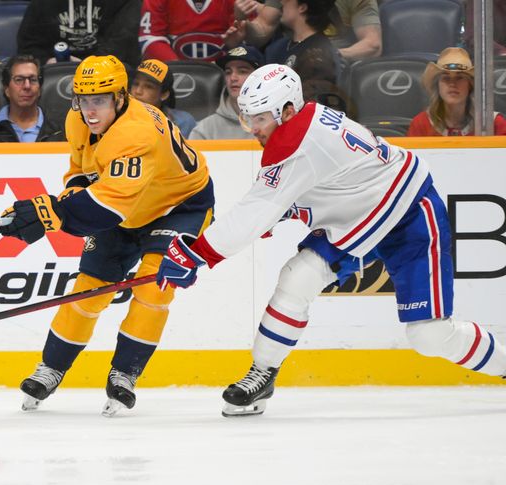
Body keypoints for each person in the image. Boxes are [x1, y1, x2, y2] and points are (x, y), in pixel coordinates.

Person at [156, 63, 506, 417]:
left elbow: (254, 211)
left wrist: (196, 253)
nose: (254, 130)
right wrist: (283, 210)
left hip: (407, 214)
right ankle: (263, 374)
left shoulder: (295, 142)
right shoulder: (303, 124)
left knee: (429, 335)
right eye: (249, 120)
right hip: (356, 218)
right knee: (297, 278)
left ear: (288, 110)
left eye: (260, 119)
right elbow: (323, 181)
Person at [0, 55, 215, 416]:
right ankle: (52, 367)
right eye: (83, 99)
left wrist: (51, 213)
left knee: (152, 287)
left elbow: (108, 208)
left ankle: (125, 373)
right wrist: (54, 206)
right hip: (130, 206)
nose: (90, 110)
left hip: (179, 207)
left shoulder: (136, 133)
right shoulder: (78, 119)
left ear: (120, 97)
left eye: (99, 100)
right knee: (89, 288)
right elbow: (82, 175)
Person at [229, 0, 381, 63]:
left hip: (338, 65)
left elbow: (373, 45)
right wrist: (245, 26)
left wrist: (331, 54)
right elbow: (263, 28)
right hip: (288, 59)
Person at [407, 47, 506, 137]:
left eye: (459, 77)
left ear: (470, 85)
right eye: (446, 78)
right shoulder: (421, 123)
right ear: (438, 85)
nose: (452, 84)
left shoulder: (494, 123)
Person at [0, 55, 65, 143]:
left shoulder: (60, 129)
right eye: (19, 80)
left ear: (39, 88)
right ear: (6, 89)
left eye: (33, 80)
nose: (27, 86)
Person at [17, 0, 141, 67]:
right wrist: (46, 61)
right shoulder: (42, 3)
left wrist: (91, 64)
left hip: (104, 68)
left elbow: (123, 40)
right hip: (54, 68)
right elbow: (28, 44)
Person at [189, 45, 262, 140]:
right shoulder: (204, 130)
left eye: (242, 71)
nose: (233, 78)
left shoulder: (275, 123)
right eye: (228, 72)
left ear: (260, 76)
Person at [139, 0, 237, 62]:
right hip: (173, 72)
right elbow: (150, 39)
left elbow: (243, 40)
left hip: (223, 71)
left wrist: (221, 65)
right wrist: (179, 68)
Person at [129, 58, 196, 138]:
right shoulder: (115, 117)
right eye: (136, 84)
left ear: (164, 95)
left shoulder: (183, 122)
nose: (138, 91)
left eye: (148, 86)